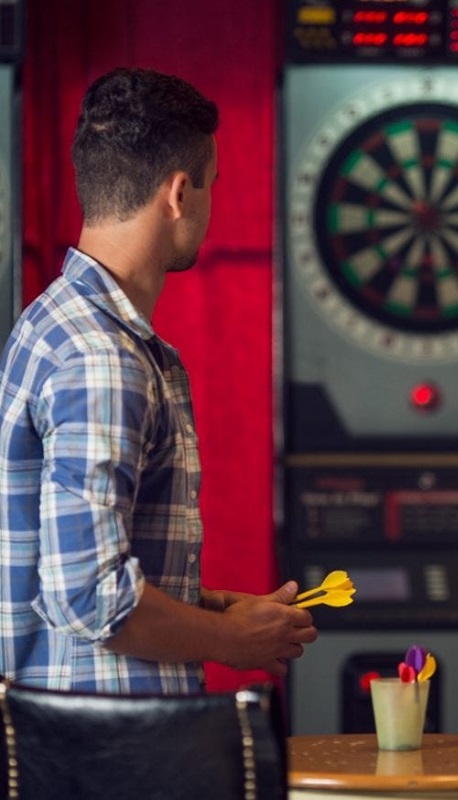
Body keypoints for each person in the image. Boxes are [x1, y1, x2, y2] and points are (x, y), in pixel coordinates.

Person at [0, 67, 317, 693]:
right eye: (212, 186)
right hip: (102, 757)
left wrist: (216, 609)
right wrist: (233, 640)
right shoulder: (102, 359)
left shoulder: (53, 321)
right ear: (178, 193)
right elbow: (89, 596)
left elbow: (66, 564)